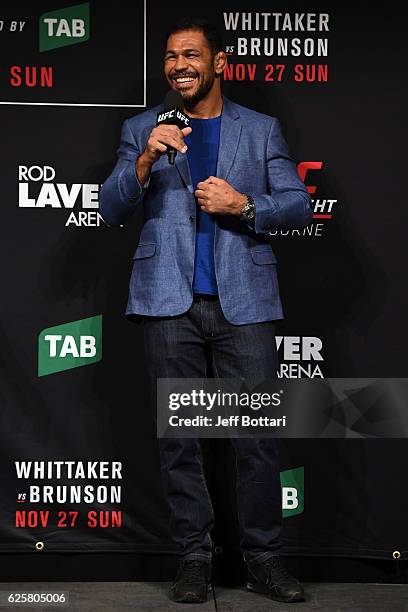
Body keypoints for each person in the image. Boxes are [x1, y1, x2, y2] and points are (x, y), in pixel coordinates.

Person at [100, 17, 312, 605]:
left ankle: (263, 559)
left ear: (219, 62)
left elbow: (296, 205)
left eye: (192, 54)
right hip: (168, 304)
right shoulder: (142, 127)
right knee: (181, 442)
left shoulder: (261, 128)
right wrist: (143, 160)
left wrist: (243, 204)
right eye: (170, 57)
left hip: (244, 304)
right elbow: (110, 207)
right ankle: (193, 558)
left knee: (256, 441)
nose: (179, 66)